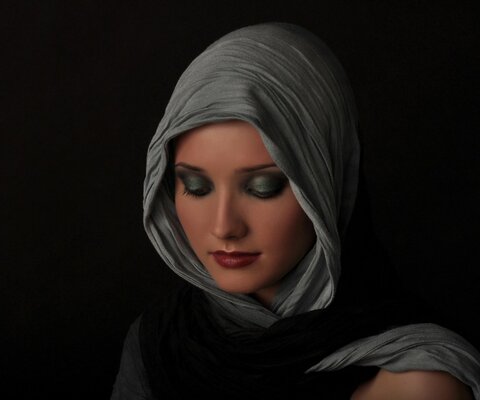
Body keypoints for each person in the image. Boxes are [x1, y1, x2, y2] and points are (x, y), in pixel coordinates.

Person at [111, 23, 480, 399]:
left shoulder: (415, 383)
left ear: (326, 185)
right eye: (196, 186)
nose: (224, 226)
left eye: (263, 188)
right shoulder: (158, 345)